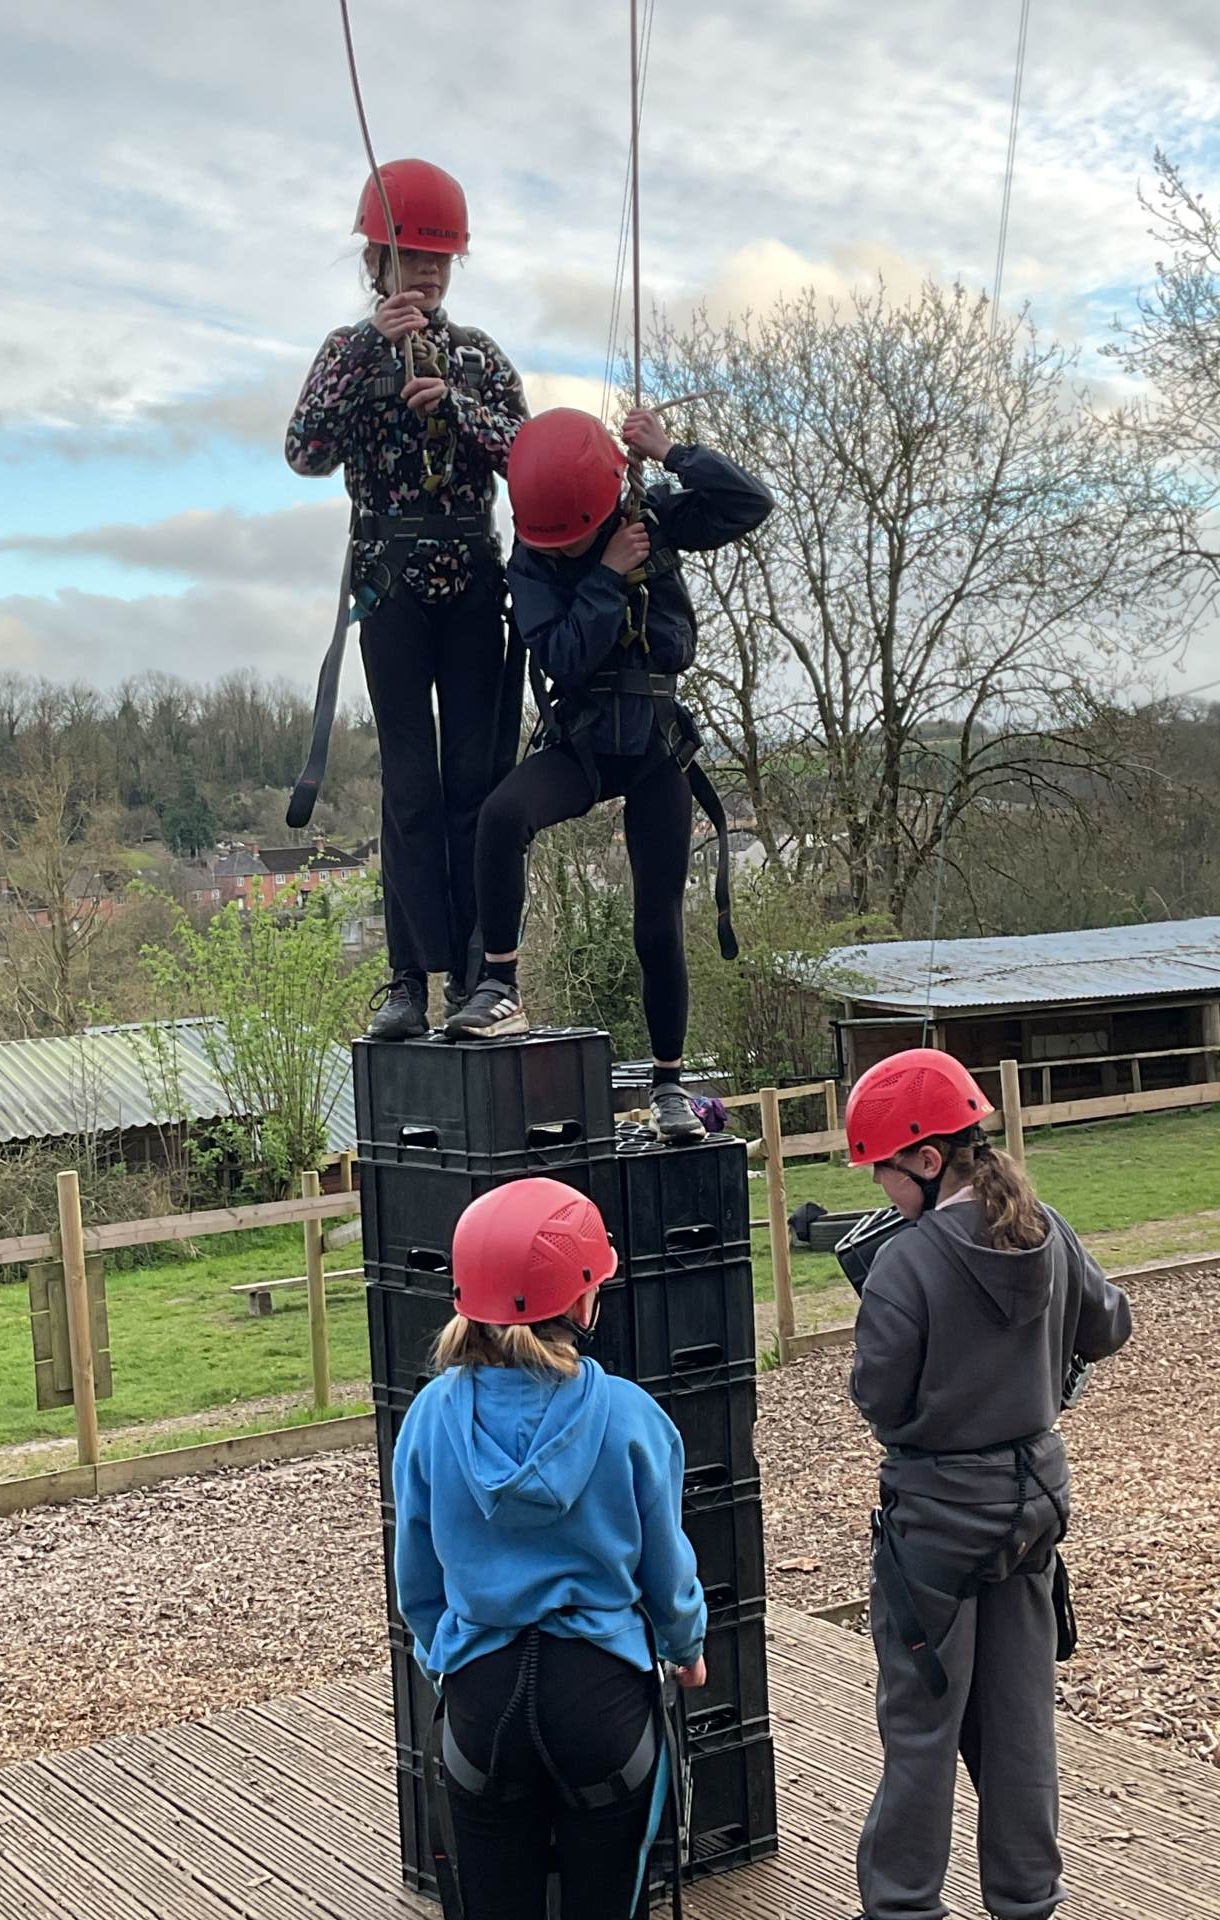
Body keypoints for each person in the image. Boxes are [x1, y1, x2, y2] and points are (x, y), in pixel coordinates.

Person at [844, 1047, 1133, 1920]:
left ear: (929, 1160)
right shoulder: (1046, 1229)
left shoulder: (904, 1265)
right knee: (1020, 1726)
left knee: (922, 1731)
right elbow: (1109, 1325)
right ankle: (1027, 1899)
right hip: (1032, 1510)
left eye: (887, 1170)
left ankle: (904, 1907)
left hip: (936, 1526)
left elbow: (879, 1399)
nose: (882, 1189)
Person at [444, 406, 773, 1142]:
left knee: (657, 922)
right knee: (502, 817)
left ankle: (669, 1086)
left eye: (577, 537)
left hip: (655, 744)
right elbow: (562, 657)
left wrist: (673, 451)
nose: (565, 548)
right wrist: (604, 574)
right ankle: (498, 983)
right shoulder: (535, 559)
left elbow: (748, 503)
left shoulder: (649, 517)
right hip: (585, 738)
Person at [392, 1176, 708, 1919]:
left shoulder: (429, 1417)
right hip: (601, 1701)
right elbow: (665, 1570)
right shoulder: (631, 1416)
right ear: (580, 1299)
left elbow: (417, 1579)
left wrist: (446, 1657)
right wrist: (685, 1646)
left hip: (482, 1699)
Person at [286, 158, 528, 1039]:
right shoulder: (345, 352)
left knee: (477, 783)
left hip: (472, 580)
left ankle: (483, 975)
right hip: (389, 581)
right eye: (411, 258)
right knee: (410, 788)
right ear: (376, 262)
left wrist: (457, 407)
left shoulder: (479, 356)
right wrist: (368, 355)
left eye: (439, 261)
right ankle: (406, 981)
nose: (427, 273)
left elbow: (528, 455)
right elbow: (305, 451)